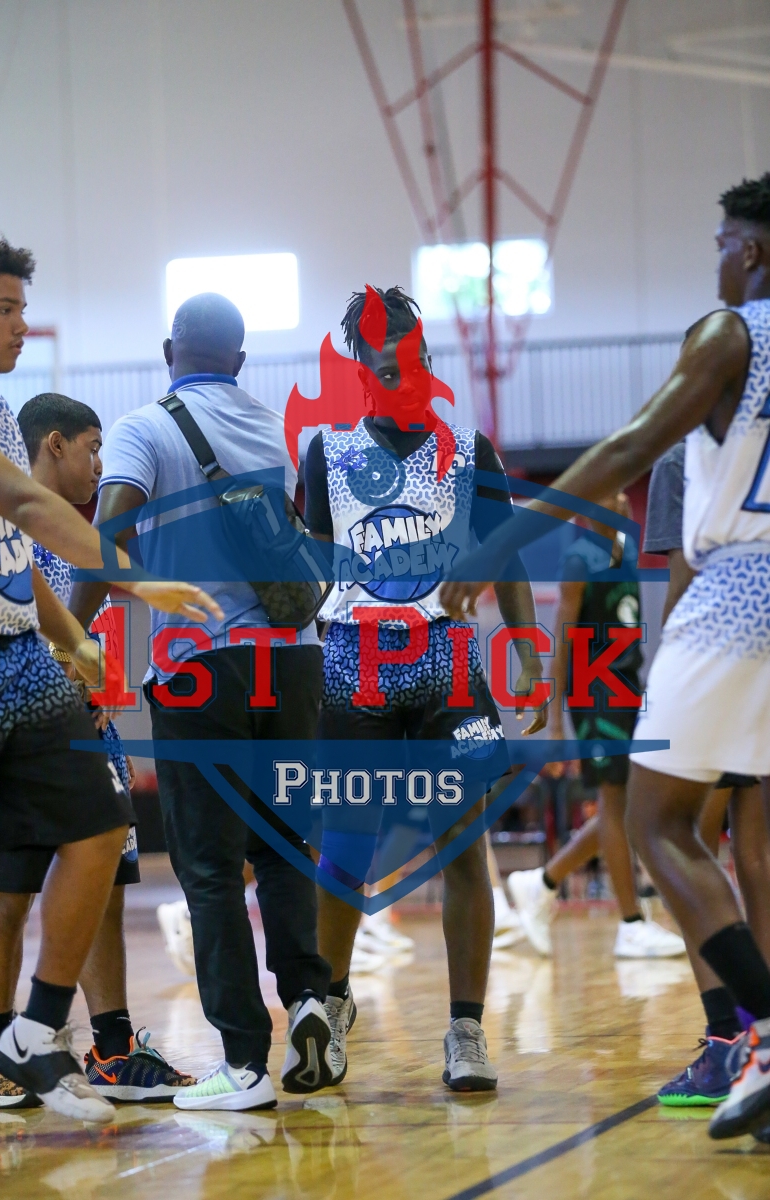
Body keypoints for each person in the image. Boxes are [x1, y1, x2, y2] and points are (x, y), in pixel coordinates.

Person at [440, 172, 770, 1140]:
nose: (715, 259)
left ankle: (757, 1030)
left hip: (738, 591)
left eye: (722, 241)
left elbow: (627, 447)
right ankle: (746, 1040)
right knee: (750, 836)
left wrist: (498, 543)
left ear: (751, 250)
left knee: (656, 822)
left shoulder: (728, 334)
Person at [0, 230, 221, 1121]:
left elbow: (11, 549)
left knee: (103, 824)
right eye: (4, 308)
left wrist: (73, 638)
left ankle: (34, 1034)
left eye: (24, 308)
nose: (21, 325)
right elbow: (26, 501)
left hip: (16, 655)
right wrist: (134, 576)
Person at [70, 292, 333, 1113]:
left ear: (167, 352)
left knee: (211, 870)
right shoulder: (272, 429)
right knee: (283, 849)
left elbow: (104, 540)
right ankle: (312, 1002)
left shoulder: (143, 428)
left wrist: (72, 638)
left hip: (202, 667)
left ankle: (245, 1064)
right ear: (240, 361)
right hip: (294, 662)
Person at [304, 285, 546, 1092]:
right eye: (386, 363)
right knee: (346, 850)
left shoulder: (470, 450)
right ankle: (331, 1003)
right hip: (353, 658)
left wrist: (529, 656)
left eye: (415, 358)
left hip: (446, 655)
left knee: (463, 845)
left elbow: (506, 555)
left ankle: (466, 1030)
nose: (404, 373)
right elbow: (309, 570)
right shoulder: (326, 452)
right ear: (361, 373)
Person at [640, 442, 770, 1108]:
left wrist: (668, 685)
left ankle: (728, 1039)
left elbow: (682, 587)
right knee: (757, 856)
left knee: (680, 842)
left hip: (718, 655)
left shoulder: (680, 461)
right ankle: (761, 1039)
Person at [508, 493, 685, 961]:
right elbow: (562, 640)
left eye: (625, 490)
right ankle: (631, 924)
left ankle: (542, 881)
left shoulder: (626, 549)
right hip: (594, 697)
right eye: (610, 490)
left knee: (624, 809)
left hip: (628, 691)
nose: (622, 496)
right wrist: (556, 724)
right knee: (613, 803)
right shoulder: (578, 560)